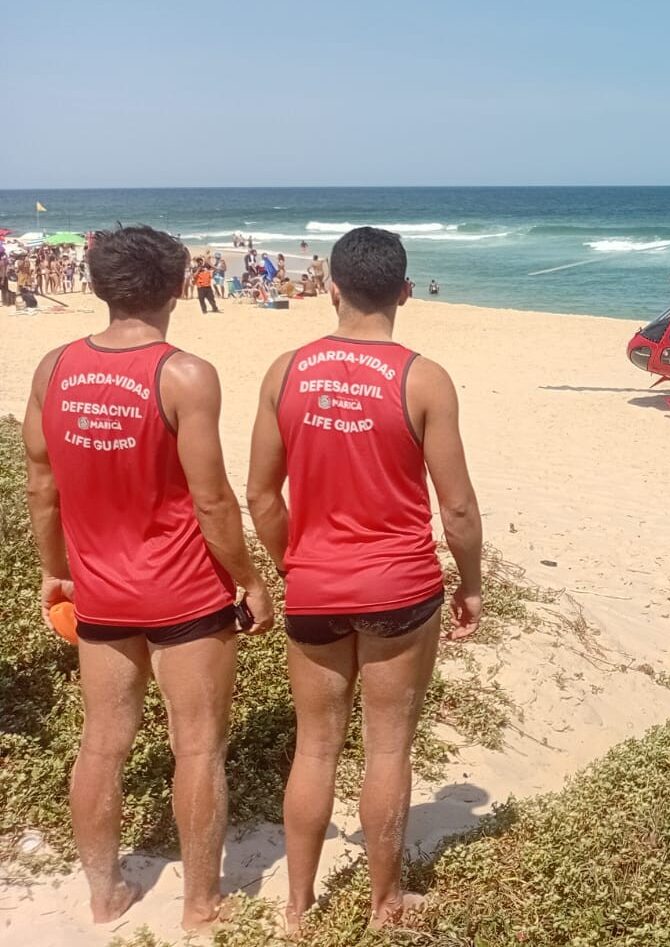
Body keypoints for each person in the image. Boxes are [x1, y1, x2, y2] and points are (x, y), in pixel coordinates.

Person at [21, 226, 273, 931]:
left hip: (99, 588)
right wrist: (251, 579)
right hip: (184, 590)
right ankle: (200, 905)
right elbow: (212, 499)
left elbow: (41, 485)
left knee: (102, 743)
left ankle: (104, 894)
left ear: (100, 285)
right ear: (176, 289)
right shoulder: (184, 374)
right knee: (197, 747)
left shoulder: (53, 368)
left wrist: (54, 571)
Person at [246, 226, 482, 933]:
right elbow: (457, 508)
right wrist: (471, 583)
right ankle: (385, 904)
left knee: (315, 747)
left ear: (331, 288)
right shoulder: (424, 378)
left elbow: (261, 496)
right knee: (387, 747)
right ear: (405, 292)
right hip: (399, 590)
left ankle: (297, 907)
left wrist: (294, 564)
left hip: (314, 589)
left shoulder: (285, 371)